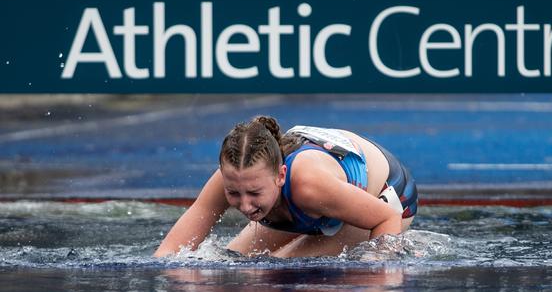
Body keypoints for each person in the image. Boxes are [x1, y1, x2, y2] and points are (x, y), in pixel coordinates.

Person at [154, 116, 417, 258]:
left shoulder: (308, 186)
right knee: (233, 260)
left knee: (278, 269)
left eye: (255, 193)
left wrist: (378, 270)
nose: (245, 206)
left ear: (280, 176)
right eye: (234, 193)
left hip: (390, 197)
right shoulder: (237, 175)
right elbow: (169, 254)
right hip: (322, 201)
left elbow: (387, 218)